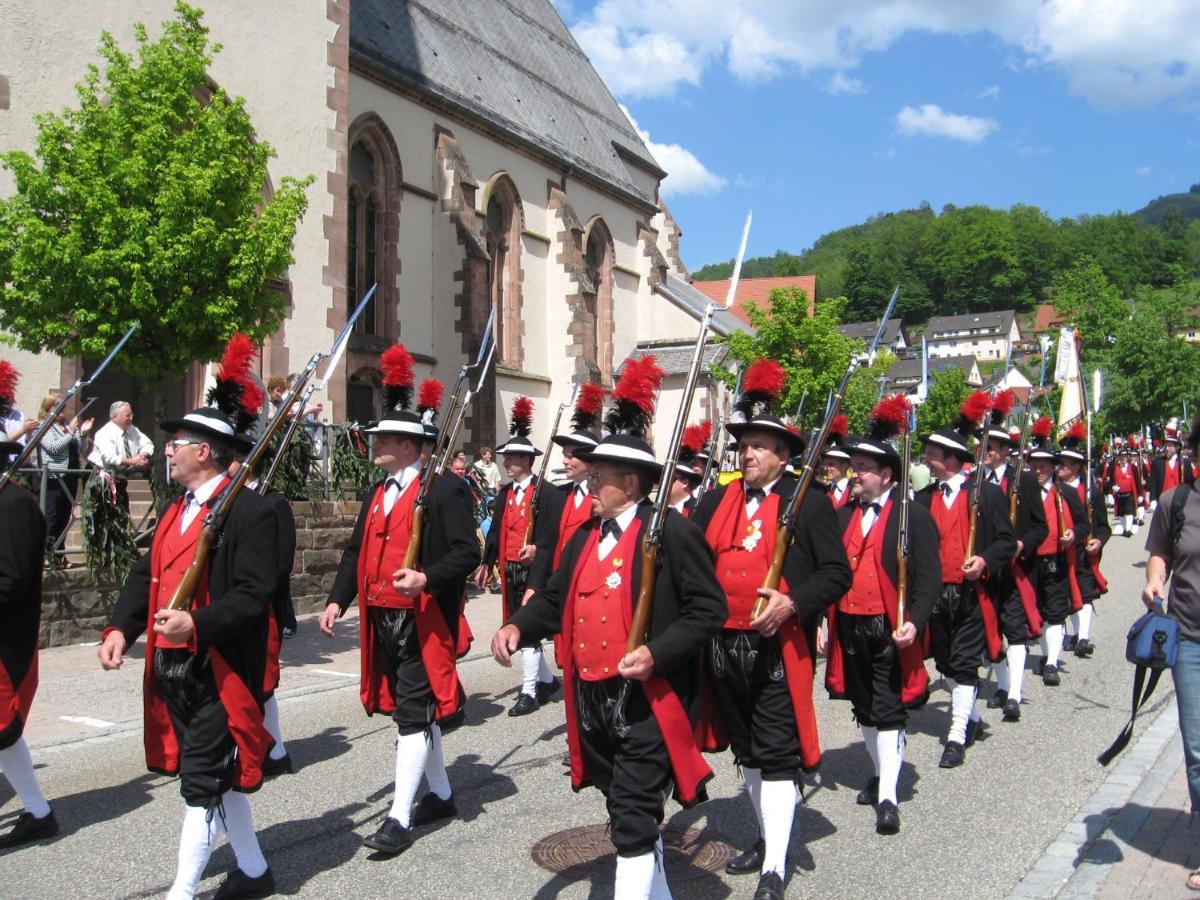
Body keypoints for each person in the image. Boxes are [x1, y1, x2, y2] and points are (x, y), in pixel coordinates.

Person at [491, 355, 726, 900]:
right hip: (594, 698)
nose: (589, 482)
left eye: (599, 476)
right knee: (624, 806)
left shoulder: (671, 533)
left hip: (647, 698)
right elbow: (552, 598)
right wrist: (518, 627)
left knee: (633, 818)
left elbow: (707, 610)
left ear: (631, 481)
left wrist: (658, 652)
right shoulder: (583, 537)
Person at [98, 342, 279, 900]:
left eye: (176, 444)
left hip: (219, 667)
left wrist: (197, 627)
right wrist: (120, 628)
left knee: (201, 782)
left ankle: (180, 892)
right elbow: (143, 573)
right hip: (172, 666)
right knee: (212, 774)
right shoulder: (176, 508)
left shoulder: (254, 510)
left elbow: (255, 594)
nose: (167, 450)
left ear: (204, 450)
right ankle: (253, 872)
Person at [691, 360, 851, 900]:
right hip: (722, 646)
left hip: (778, 648)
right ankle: (766, 837)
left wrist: (793, 601)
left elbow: (836, 573)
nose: (748, 453)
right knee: (750, 751)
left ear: (784, 456)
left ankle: (775, 869)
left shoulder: (810, 503)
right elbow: (688, 562)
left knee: (778, 752)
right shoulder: (716, 499)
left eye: (760, 446)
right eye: (744, 445)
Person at [321, 344, 478, 858]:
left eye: (385, 438)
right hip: (380, 617)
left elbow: (468, 552)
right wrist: (336, 601)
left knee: (412, 713)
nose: (375, 443)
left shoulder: (446, 491)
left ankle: (399, 817)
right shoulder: (377, 491)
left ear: (411, 446)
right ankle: (444, 795)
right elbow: (354, 552)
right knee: (413, 712)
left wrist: (428, 578)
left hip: (421, 619)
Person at [824, 396, 940, 836]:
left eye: (865, 468)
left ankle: (889, 796)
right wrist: (822, 623)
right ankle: (880, 772)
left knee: (888, 709)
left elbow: (929, 579)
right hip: (850, 626)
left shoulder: (913, 516)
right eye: (854, 467)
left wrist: (917, 619)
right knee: (866, 708)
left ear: (887, 475)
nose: (856, 474)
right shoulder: (841, 517)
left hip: (891, 629)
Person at [915, 392, 1015, 769]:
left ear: (954, 460)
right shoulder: (922, 498)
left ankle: (956, 735)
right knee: (944, 662)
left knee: (963, 662)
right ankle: (970, 718)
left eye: (934, 453)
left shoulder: (986, 495)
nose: (927, 457)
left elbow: (1006, 541)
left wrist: (984, 560)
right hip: (935, 595)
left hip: (971, 592)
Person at [1142, 413, 1200, 892]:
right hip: (1190, 638)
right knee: (1199, 748)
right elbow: (1160, 550)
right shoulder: (1175, 502)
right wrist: (1153, 580)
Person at [473, 399, 560, 716]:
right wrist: (486, 562)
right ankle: (547, 681)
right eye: (506, 457)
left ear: (527, 460)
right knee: (516, 623)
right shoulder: (505, 493)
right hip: (508, 569)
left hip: (533, 572)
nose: (506, 462)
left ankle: (529, 690)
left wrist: (537, 553)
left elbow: (552, 536)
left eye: (512, 457)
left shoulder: (547, 493)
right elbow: (495, 531)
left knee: (527, 629)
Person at [0, 432, 59, 848]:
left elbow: (11, 579)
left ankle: (39, 813)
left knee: (3, 730)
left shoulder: (15, 505)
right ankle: (38, 811)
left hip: (6, 642)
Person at [979, 396, 1047, 723]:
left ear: (1007, 451)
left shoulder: (1026, 480)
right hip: (985, 570)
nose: (987, 451)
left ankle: (1015, 695)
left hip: (1016, 569)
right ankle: (1003, 685)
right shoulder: (973, 483)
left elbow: (1040, 527)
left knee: (1015, 630)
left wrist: (1022, 544)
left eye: (994, 446)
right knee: (989, 631)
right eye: (984, 445)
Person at [1056, 424, 1110, 658]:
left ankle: (1084, 637)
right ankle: (1073, 634)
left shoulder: (1092, 493)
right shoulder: (1052, 491)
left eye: (1065, 463)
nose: (1059, 466)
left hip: (1084, 551)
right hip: (1059, 551)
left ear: (1076, 467)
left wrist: (1098, 540)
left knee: (1085, 593)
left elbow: (1104, 528)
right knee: (1065, 595)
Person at [34, 392, 93, 564]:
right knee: (52, 516)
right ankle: (45, 554)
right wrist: (71, 432)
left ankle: (59, 553)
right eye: (58, 405)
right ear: (48, 408)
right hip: (54, 478)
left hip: (70, 476)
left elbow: (80, 450)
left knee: (64, 516)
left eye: (63, 405)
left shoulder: (67, 426)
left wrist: (82, 435)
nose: (62, 409)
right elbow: (53, 448)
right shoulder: (44, 426)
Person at [88, 401, 154, 511]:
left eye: (132, 415)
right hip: (100, 477)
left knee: (122, 510)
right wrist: (132, 461)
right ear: (115, 417)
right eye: (128, 415)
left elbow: (147, 443)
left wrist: (143, 455)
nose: (131, 418)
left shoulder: (133, 429)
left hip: (120, 477)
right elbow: (110, 458)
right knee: (101, 514)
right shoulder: (105, 433)